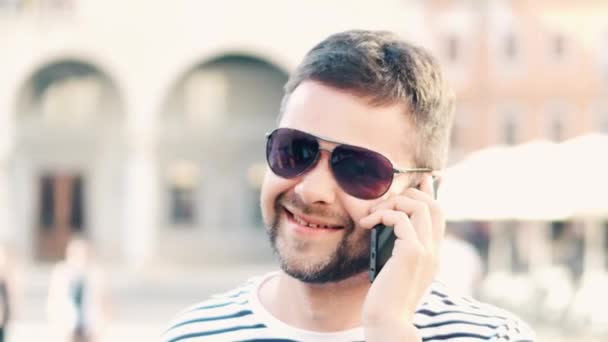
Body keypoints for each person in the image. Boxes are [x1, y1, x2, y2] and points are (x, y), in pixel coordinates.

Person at [163, 30, 534, 341]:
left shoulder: (493, 337)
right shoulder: (191, 335)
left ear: (423, 191)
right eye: (296, 149)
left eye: (358, 168)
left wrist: (388, 328)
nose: (311, 191)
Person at [46, 237, 109, 342]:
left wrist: (102, 327)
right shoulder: (61, 273)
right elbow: (53, 299)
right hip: (67, 327)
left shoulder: (96, 274)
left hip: (90, 327)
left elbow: (105, 302)